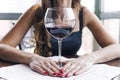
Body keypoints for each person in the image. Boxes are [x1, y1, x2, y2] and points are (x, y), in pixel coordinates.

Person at [0, 0, 120, 78]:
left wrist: (90, 58)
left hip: (73, 73)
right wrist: (31, 58)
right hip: (40, 73)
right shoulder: (36, 11)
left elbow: (116, 48)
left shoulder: (83, 12)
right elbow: (2, 47)